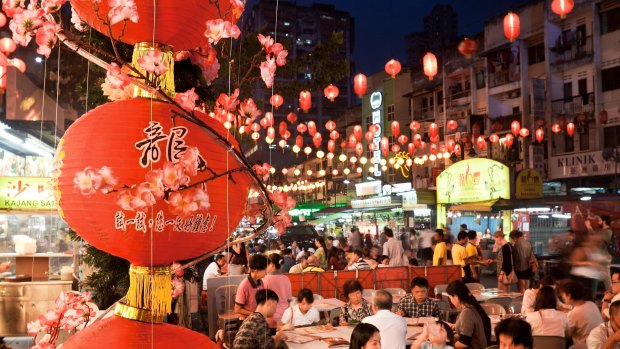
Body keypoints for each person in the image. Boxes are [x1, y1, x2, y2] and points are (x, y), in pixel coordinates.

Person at [446, 280, 490, 349]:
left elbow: (463, 343)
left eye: (450, 298)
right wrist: (456, 325)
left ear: (456, 297)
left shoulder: (467, 313)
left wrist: (446, 346)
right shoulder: (472, 306)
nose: (451, 301)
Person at [561, 280, 604, 345]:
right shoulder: (591, 304)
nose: (562, 296)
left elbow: (567, 335)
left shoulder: (574, 313)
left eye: (563, 294)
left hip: (587, 345)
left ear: (569, 295)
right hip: (602, 341)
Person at [571, 231, 609, 300]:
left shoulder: (594, 249)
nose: (598, 243)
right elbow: (574, 262)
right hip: (581, 277)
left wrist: (601, 261)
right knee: (583, 297)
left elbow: (598, 259)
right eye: (595, 240)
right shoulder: (580, 249)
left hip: (591, 277)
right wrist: (589, 263)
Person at [262, 253, 292, 329]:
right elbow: (289, 300)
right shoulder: (286, 279)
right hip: (285, 315)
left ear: (272, 264)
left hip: (270, 315)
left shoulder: (265, 280)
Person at [235, 254, 268, 320]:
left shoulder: (260, 282)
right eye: (265, 270)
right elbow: (237, 309)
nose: (266, 272)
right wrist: (255, 314)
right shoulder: (244, 285)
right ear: (256, 271)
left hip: (257, 319)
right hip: (246, 321)